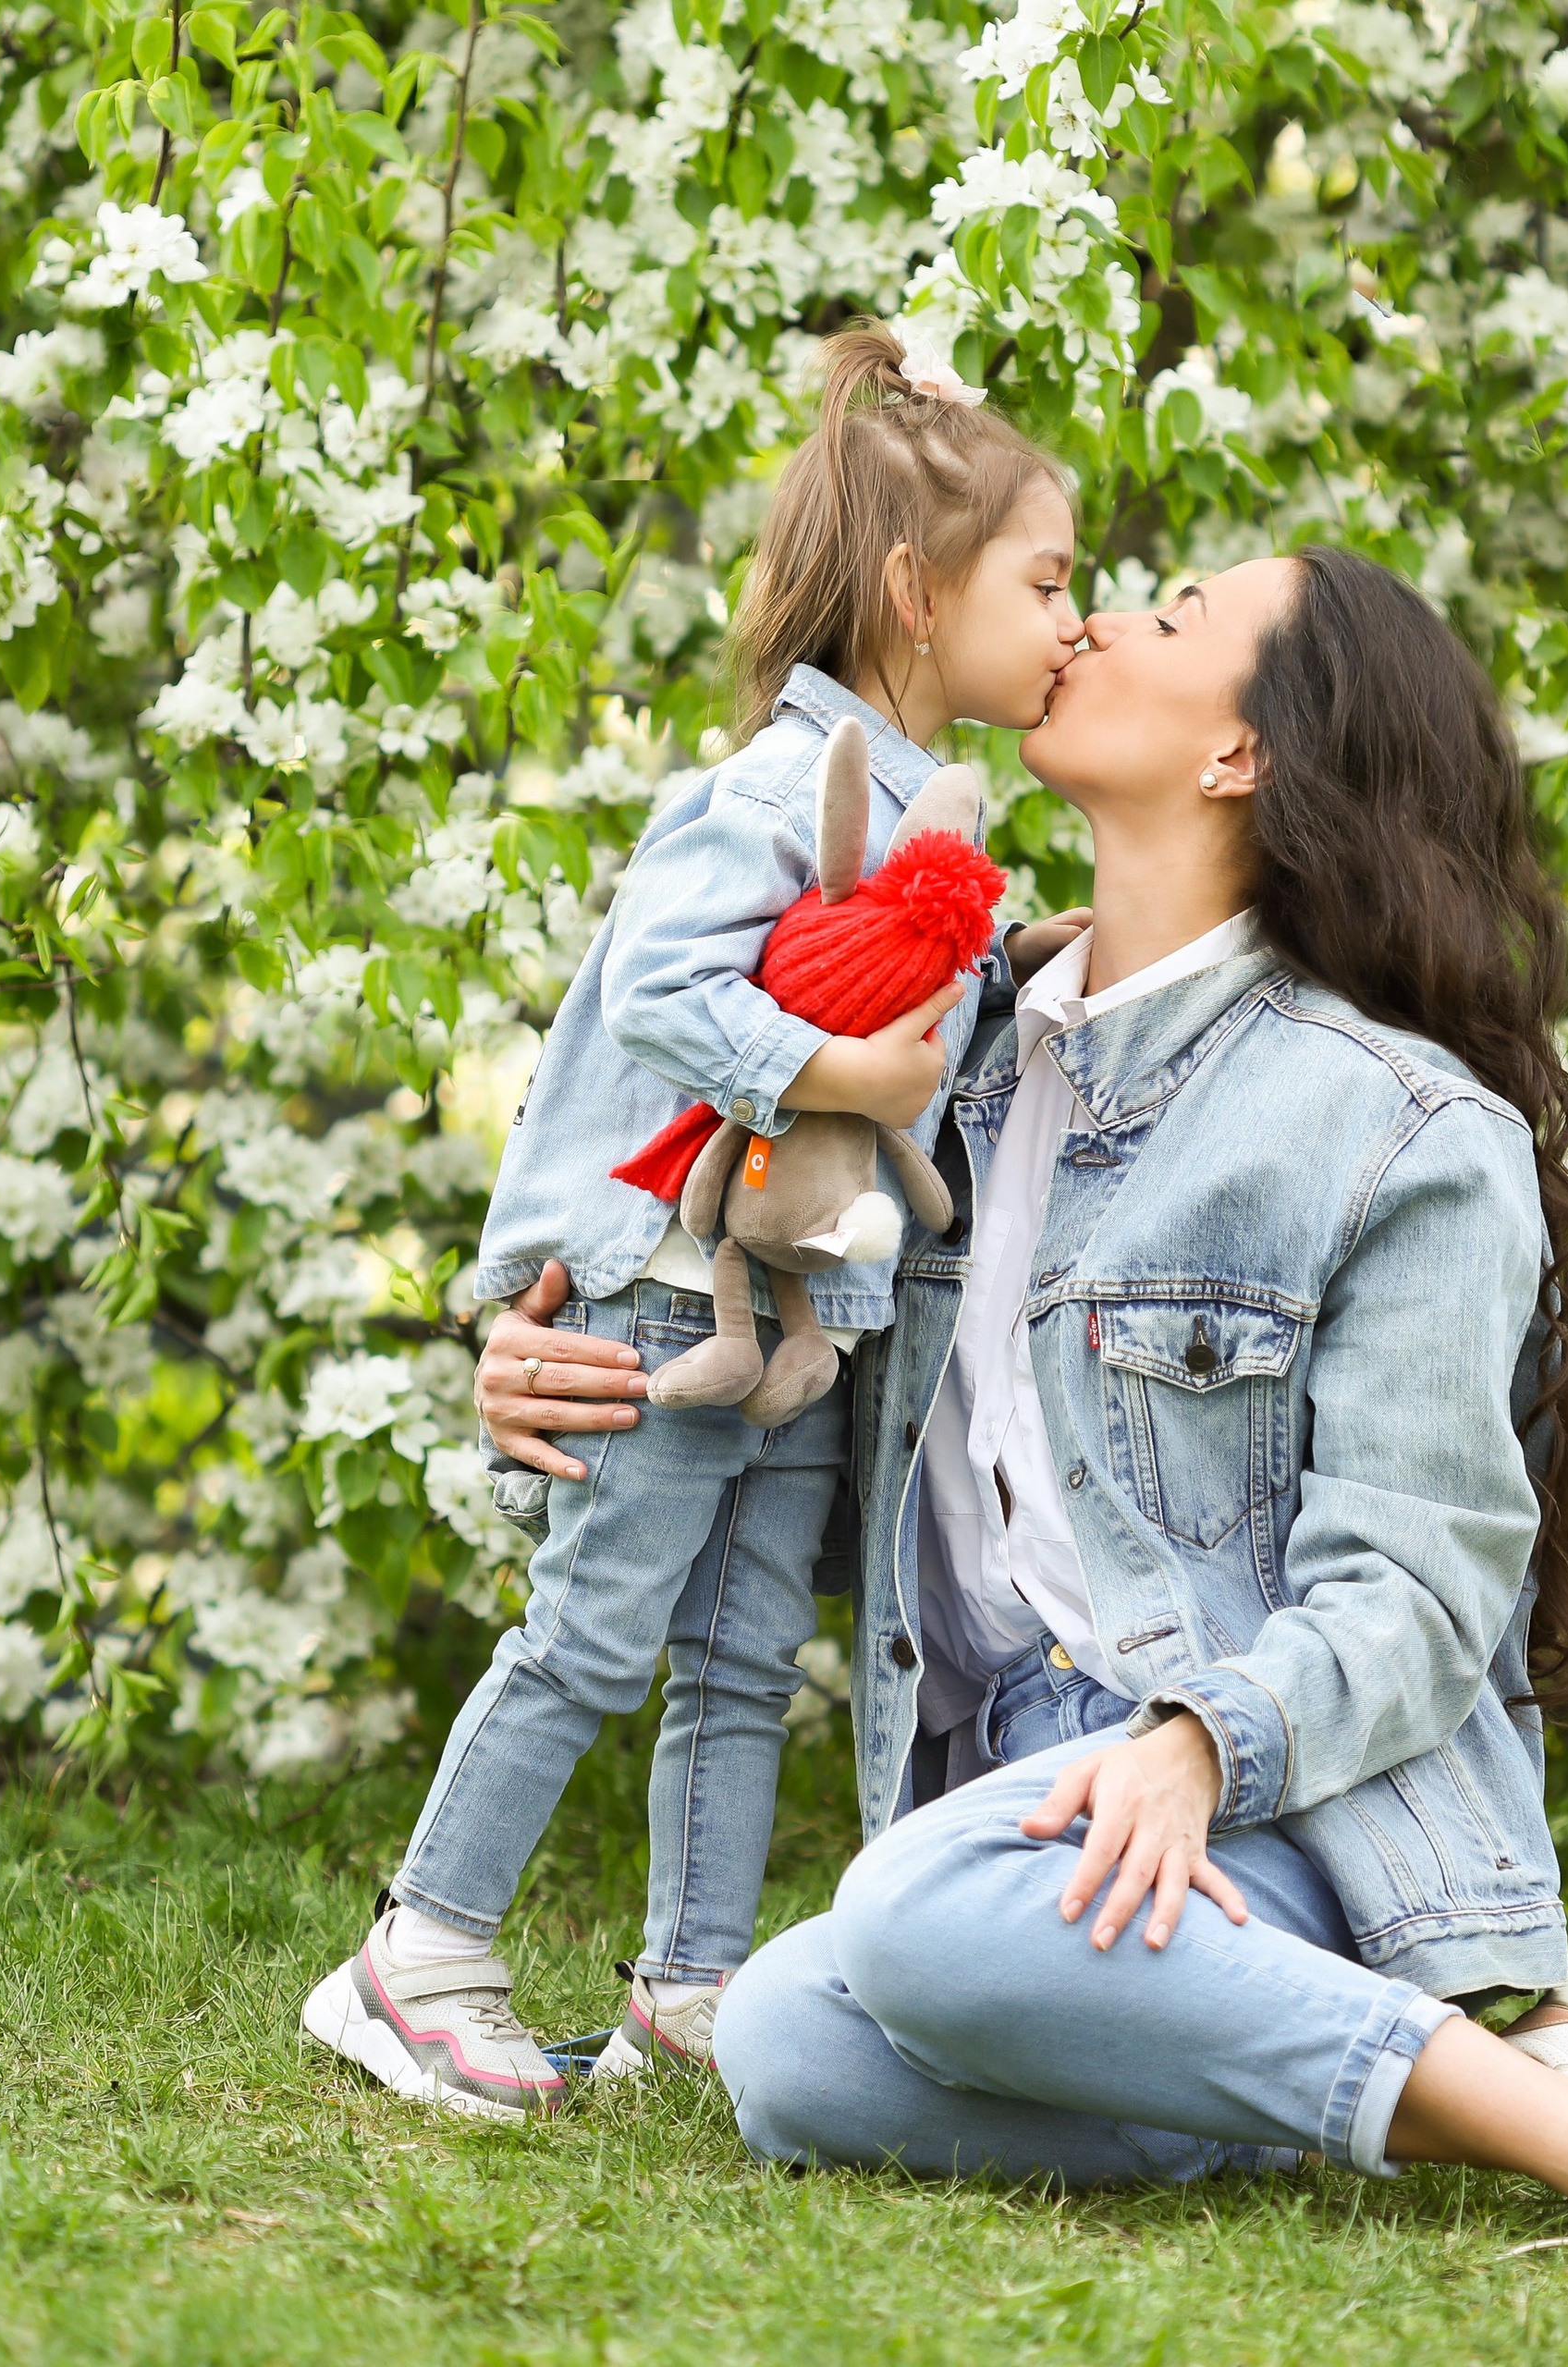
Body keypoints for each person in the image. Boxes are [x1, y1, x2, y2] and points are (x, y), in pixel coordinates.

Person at [686, 546, 1568, 2265]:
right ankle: (1527, 2067)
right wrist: (574, 1341)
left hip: (1281, 1808)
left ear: (1240, 756)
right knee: (780, 2048)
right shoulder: (950, 1068)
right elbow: (838, 1410)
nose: (1105, 619)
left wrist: (1202, 1742)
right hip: (1010, 1798)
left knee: (904, 1927)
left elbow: (1422, 1592)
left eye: (1178, 616)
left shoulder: (1400, 1132)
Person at [301, 322, 1087, 2116]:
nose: (1064, 621)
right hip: (667, 1284)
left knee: (745, 1651)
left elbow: (923, 1005)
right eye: (1042, 580)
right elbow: (664, 985)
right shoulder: (767, 791)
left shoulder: (926, 816)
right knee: (590, 1630)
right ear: (912, 590)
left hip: (802, 1311)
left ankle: (693, 1972)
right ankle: (417, 1945)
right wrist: (847, 1078)